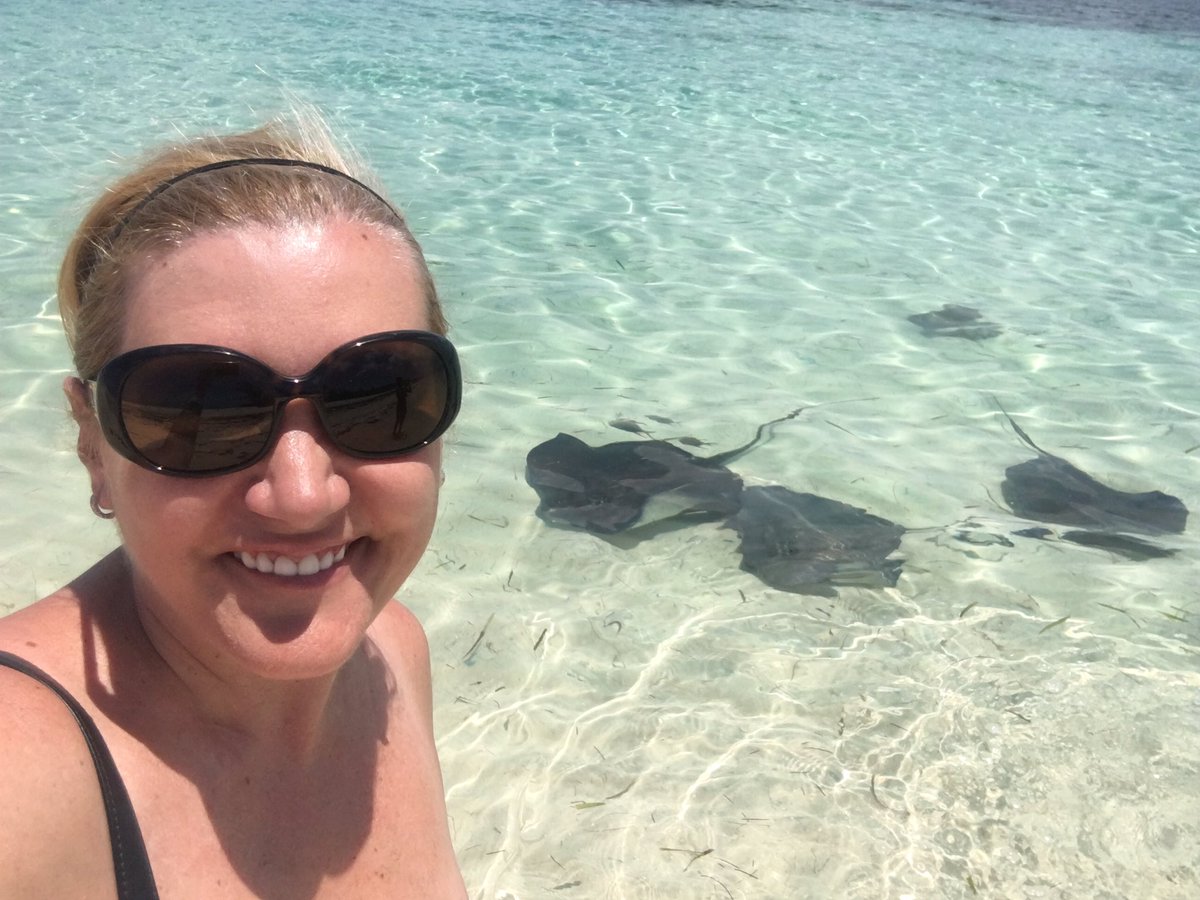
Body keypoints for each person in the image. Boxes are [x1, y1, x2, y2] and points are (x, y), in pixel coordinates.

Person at [0, 114, 468, 898]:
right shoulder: (19, 774)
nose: (302, 495)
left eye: (377, 395)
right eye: (201, 411)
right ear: (92, 443)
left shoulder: (394, 648)